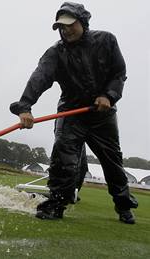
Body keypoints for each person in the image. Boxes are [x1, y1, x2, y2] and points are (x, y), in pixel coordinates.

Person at [9, 2, 138, 223]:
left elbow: (119, 72)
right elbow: (40, 77)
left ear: (83, 22)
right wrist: (25, 107)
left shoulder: (106, 40)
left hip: (102, 116)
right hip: (71, 113)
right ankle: (57, 203)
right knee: (63, 158)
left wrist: (109, 95)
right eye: (61, 26)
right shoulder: (55, 53)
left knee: (112, 162)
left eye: (70, 25)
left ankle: (123, 205)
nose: (66, 30)